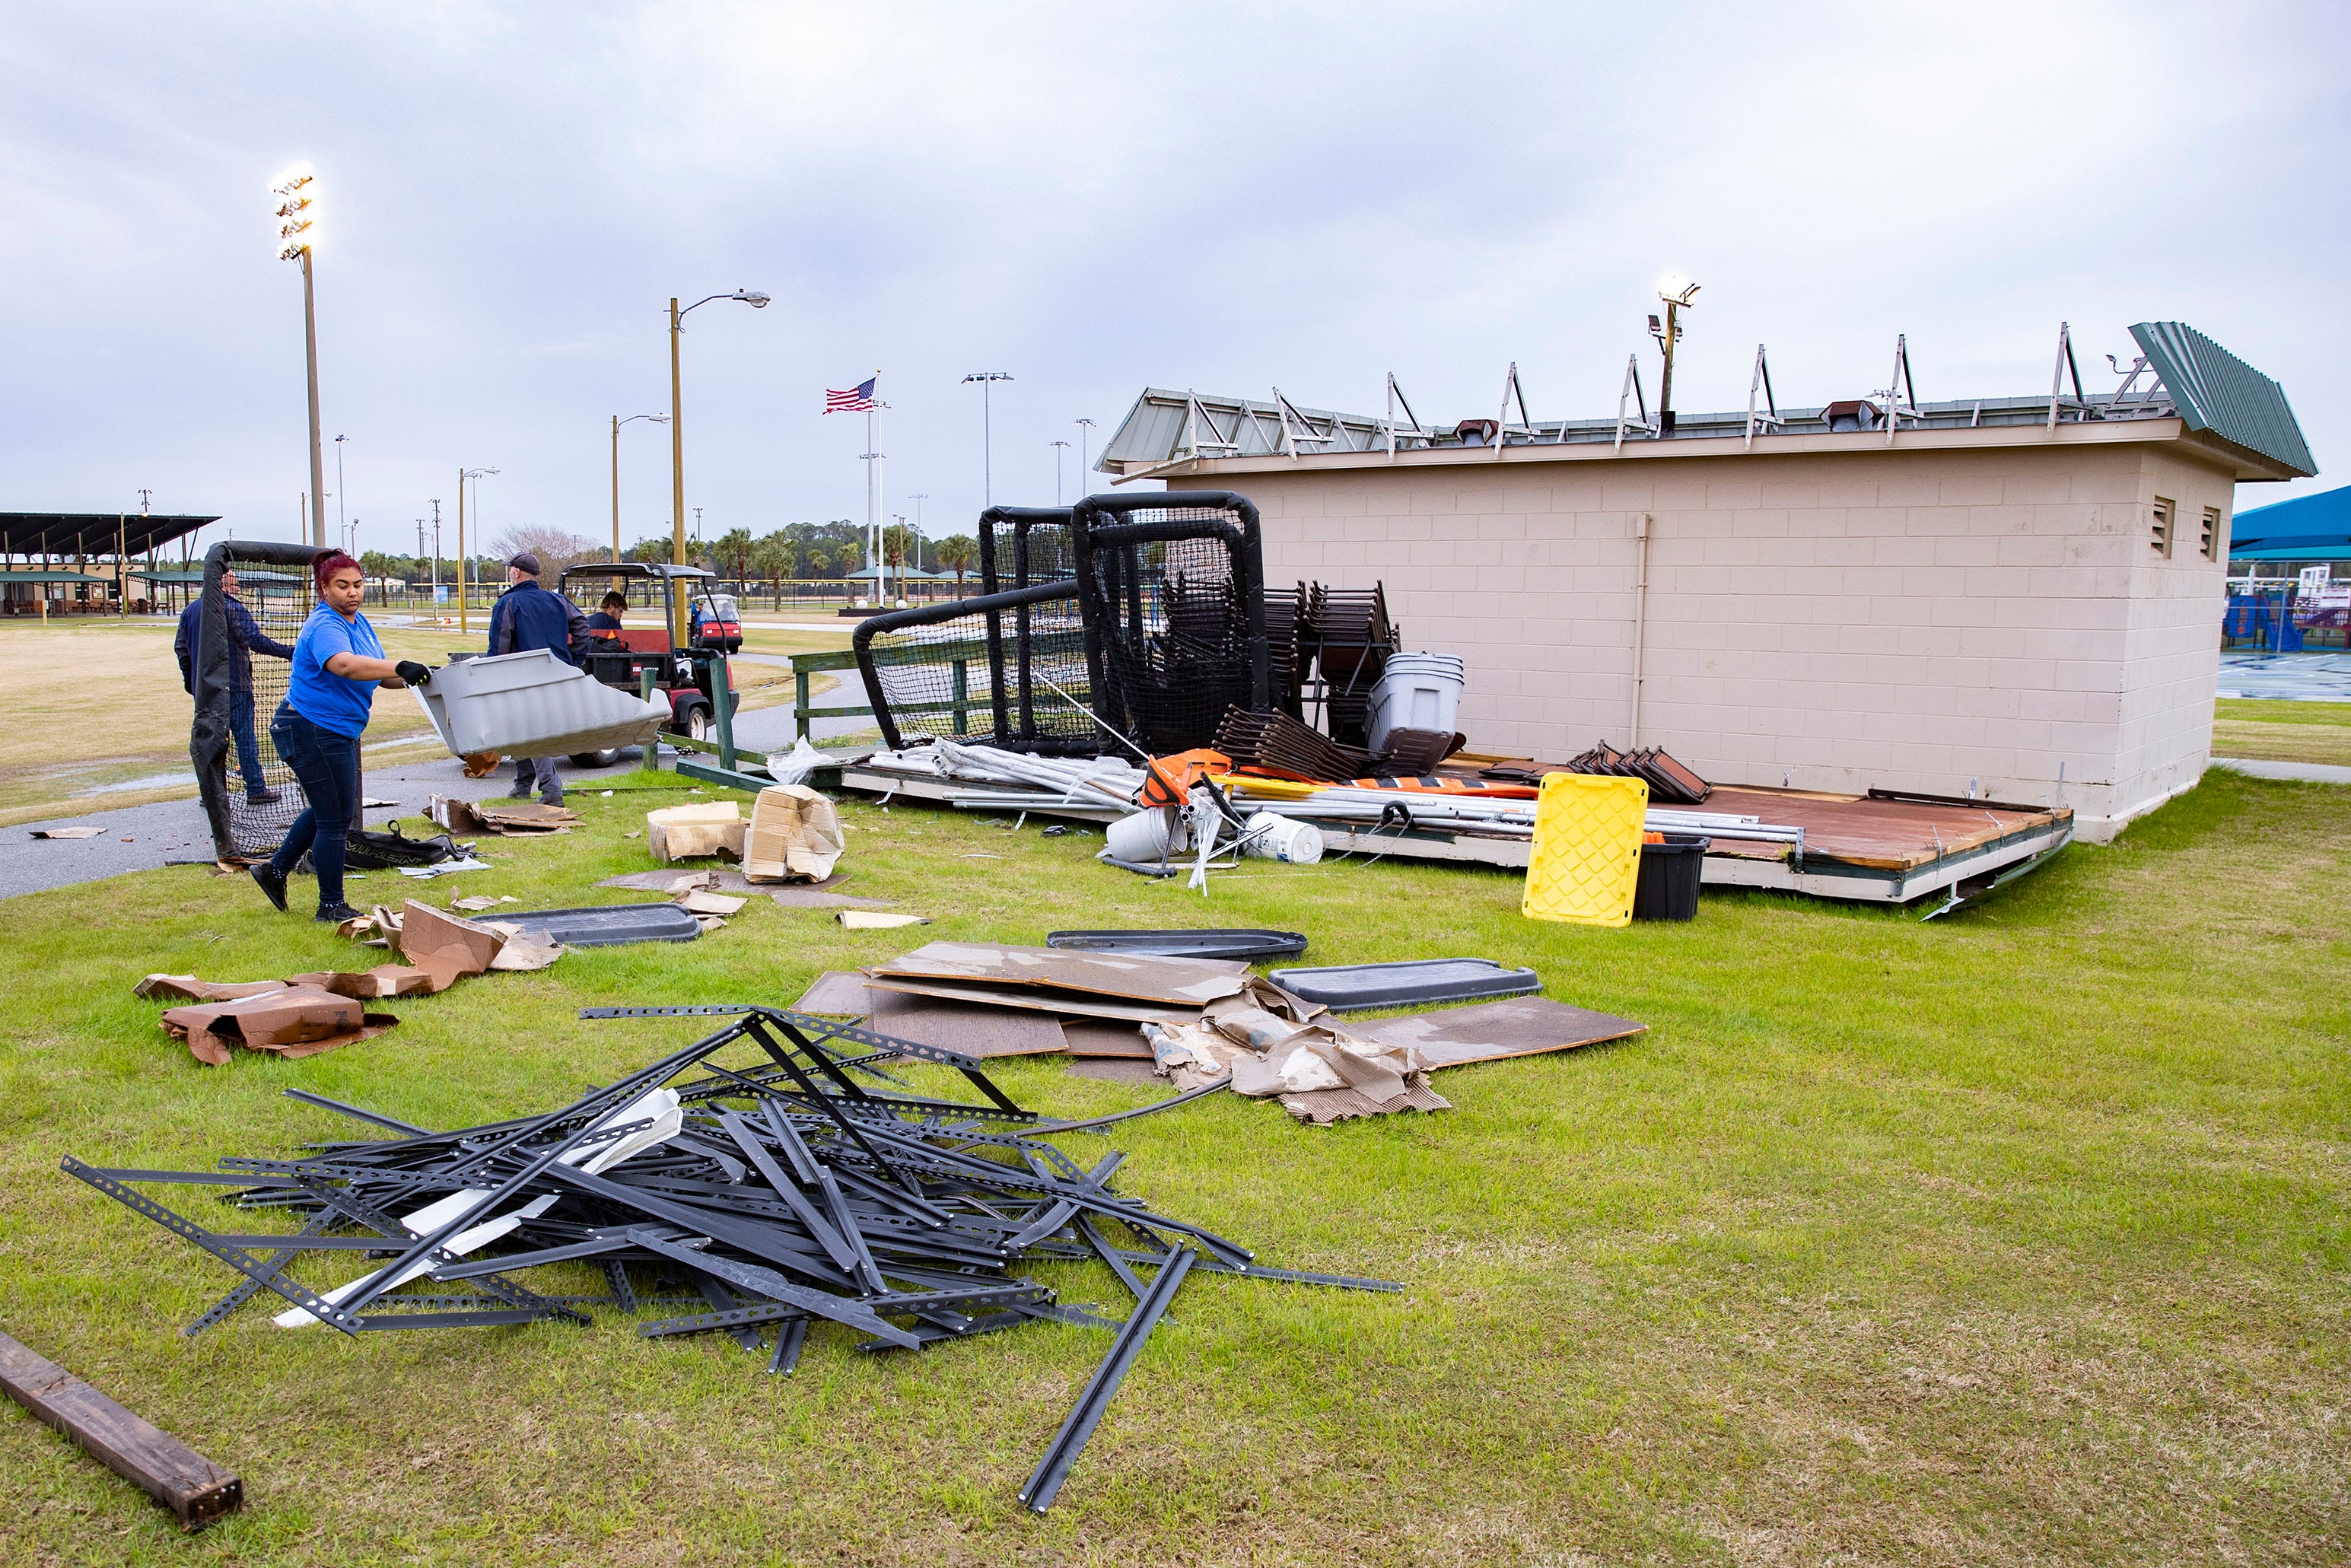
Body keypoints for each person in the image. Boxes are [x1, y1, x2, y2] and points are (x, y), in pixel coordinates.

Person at [251, 552, 428, 924]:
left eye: (358, 585)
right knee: (335, 820)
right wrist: (398, 665)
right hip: (311, 728)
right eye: (342, 586)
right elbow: (345, 665)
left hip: (334, 729)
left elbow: (379, 677)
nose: (352, 593)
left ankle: (274, 870)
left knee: (327, 810)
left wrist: (418, 677)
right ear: (324, 588)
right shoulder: (324, 625)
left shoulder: (358, 622)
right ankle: (330, 906)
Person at [175, 568, 294, 804]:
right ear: (223, 584)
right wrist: (292, 652)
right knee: (244, 738)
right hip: (235, 685)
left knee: (210, 741)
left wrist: (192, 682)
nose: (238, 588)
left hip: (206, 689)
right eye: (234, 584)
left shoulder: (191, 610)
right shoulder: (231, 607)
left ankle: (211, 794)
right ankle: (256, 788)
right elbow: (256, 641)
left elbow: (181, 649)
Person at [486, 551, 589, 805]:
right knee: (524, 728)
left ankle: (552, 791)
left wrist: (492, 677)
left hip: (522, 677)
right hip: (557, 673)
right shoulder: (557, 600)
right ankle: (522, 785)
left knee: (531, 731)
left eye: (509, 568)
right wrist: (573, 661)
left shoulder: (508, 603)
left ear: (515, 572)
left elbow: (498, 646)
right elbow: (583, 628)